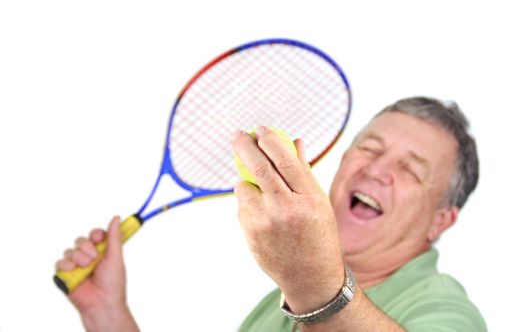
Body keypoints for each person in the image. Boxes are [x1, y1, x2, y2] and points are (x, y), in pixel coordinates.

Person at [56, 97, 487, 331]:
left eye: (410, 170)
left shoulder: (450, 314)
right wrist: (107, 313)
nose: (376, 170)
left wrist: (313, 284)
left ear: (440, 220)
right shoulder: (283, 302)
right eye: (370, 148)